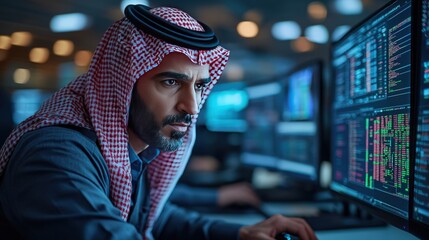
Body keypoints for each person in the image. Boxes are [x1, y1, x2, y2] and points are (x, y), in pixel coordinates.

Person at [0, 4, 317, 240]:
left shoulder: (132, 150)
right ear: (120, 83)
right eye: (170, 83)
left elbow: (154, 217)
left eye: (199, 85)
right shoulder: (57, 154)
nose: (191, 106)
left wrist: (240, 234)